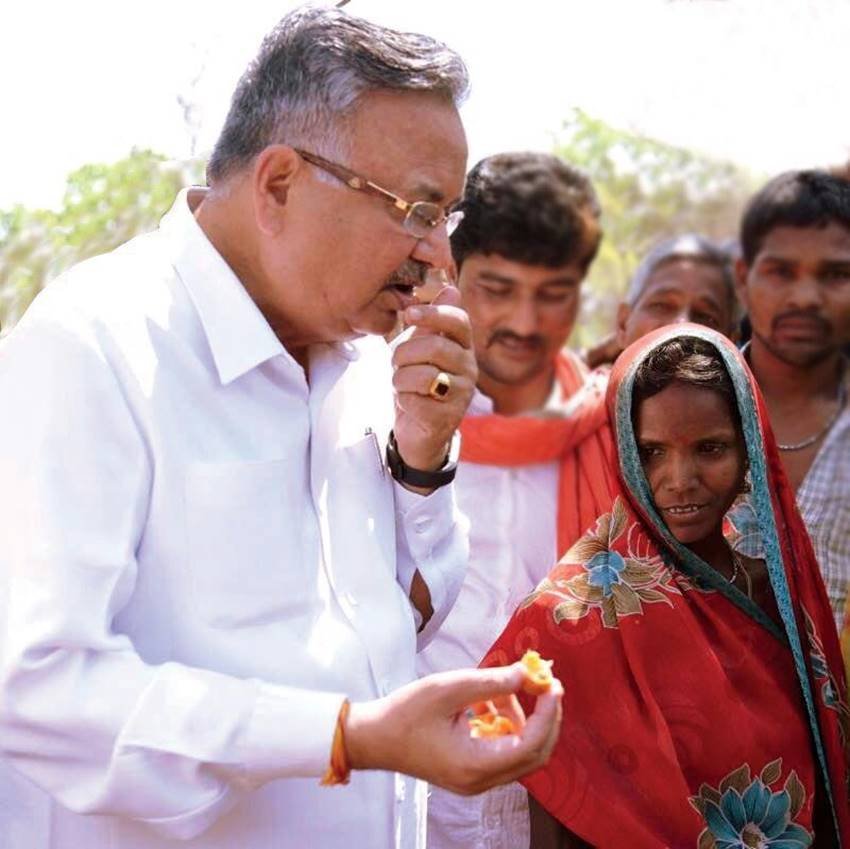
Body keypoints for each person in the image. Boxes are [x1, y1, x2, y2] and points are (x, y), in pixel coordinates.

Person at [0, 9, 563, 849]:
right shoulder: (92, 348)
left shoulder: (367, 360)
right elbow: (42, 689)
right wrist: (344, 735)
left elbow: (402, 627)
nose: (438, 258)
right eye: (416, 209)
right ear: (278, 184)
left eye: (447, 218)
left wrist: (422, 460)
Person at [485, 326, 850, 847]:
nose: (680, 478)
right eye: (653, 452)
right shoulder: (568, 620)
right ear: (623, 453)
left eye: (710, 448)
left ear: (751, 446)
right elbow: (563, 810)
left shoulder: (781, 597)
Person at [415, 152, 609, 849]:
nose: (525, 322)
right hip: (403, 798)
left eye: (551, 292)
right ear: (450, 274)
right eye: (498, 288)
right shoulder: (379, 414)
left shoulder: (608, 429)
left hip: (557, 806)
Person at [734, 169, 850, 629]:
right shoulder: (674, 410)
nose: (805, 297)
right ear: (743, 280)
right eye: (781, 272)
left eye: (835, 274)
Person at [584, 233, 739, 369]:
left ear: (731, 344)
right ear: (623, 324)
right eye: (662, 306)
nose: (682, 325)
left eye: (704, 316)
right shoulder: (580, 399)